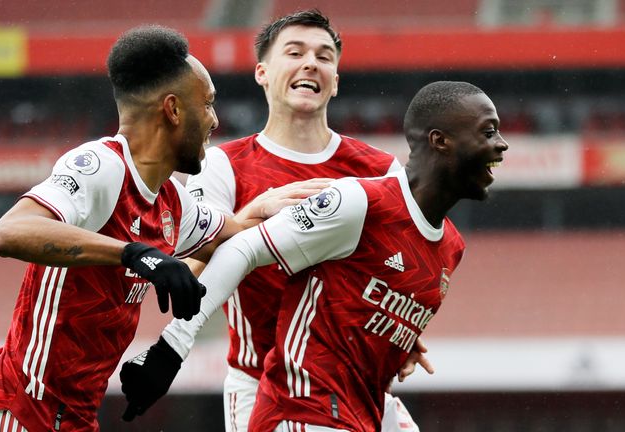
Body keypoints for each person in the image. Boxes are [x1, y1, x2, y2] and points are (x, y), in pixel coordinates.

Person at [0, 25, 317, 432]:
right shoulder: (101, 166)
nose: (214, 119)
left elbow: (243, 238)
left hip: (70, 419)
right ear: (173, 110)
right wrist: (135, 254)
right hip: (15, 410)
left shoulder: (174, 205)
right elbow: (11, 232)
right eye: (208, 104)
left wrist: (294, 207)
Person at [125, 80, 509, 431]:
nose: (502, 144)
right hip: (301, 410)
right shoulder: (358, 201)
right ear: (440, 140)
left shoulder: (451, 247)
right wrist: (171, 347)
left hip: (363, 414)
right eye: (488, 131)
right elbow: (243, 247)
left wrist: (396, 346)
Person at [119, 10, 429, 432]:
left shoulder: (381, 169)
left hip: (354, 385)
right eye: (295, 52)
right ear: (262, 72)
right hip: (261, 386)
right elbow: (185, 274)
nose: (310, 64)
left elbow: (400, 269)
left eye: (324, 56)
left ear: (335, 79)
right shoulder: (221, 166)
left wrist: (400, 331)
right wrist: (248, 220)